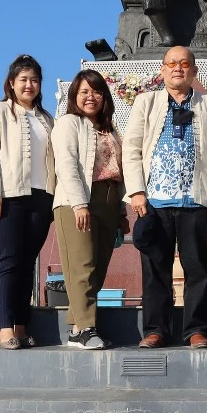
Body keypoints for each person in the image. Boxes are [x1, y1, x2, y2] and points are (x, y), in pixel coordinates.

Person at [123, 45, 207, 348]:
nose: (178, 68)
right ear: (162, 70)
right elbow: (132, 148)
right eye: (171, 63)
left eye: (184, 63)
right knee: (155, 270)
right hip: (154, 200)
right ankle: (155, 330)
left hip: (194, 200)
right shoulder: (146, 102)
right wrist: (137, 192)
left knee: (196, 271)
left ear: (193, 70)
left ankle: (196, 330)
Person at [51, 70, 127, 350]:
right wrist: (79, 204)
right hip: (78, 200)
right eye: (84, 92)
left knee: (98, 266)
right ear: (74, 96)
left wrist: (120, 211)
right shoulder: (68, 123)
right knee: (81, 265)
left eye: (96, 92)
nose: (90, 97)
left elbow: (118, 172)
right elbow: (67, 165)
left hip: (108, 199)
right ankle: (86, 328)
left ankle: (76, 328)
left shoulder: (110, 128)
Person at [0, 55, 54, 350]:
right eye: (23, 79)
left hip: (42, 197)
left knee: (27, 265)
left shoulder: (47, 118)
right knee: (9, 261)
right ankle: (3, 329)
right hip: (9, 196)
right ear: (11, 83)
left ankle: (21, 326)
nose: (29, 85)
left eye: (34, 80)